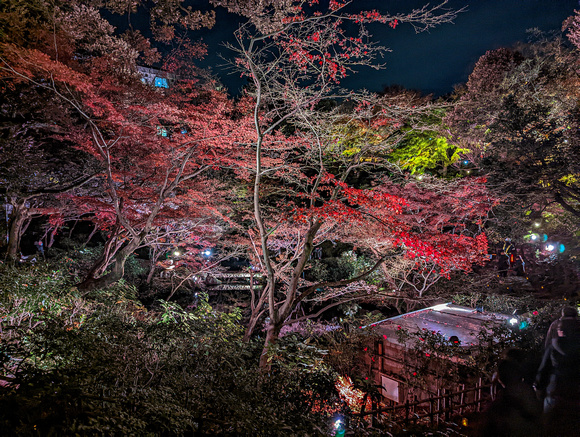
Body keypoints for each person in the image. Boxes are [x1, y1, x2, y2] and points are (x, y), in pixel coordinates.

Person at [534, 316, 580, 435]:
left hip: (556, 392)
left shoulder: (553, 347)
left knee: (551, 426)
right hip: (576, 395)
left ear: (560, 331)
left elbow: (543, 370)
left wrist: (538, 387)